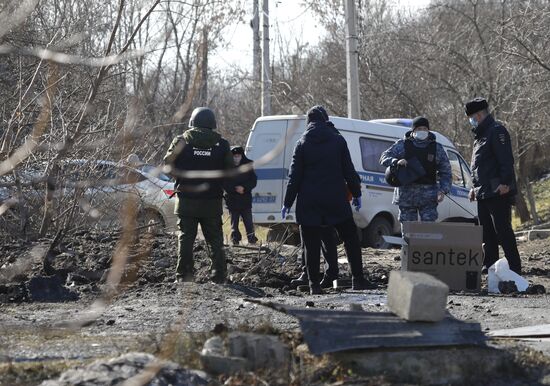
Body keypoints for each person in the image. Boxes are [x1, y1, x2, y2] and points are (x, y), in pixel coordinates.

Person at [282, 105, 369, 295]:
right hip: (335, 200)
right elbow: (349, 171)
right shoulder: (338, 140)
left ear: (309, 123)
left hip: (309, 202)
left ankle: (314, 285)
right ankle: (358, 279)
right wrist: (356, 193)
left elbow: (294, 177)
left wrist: (287, 202)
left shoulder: (302, 143)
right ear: (326, 120)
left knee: (311, 244)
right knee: (350, 237)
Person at [164, 107, 234, 283]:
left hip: (186, 200)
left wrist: (179, 176)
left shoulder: (181, 141)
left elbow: (167, 165)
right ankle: (218, 275)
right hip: (212, 201)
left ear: (192, 122)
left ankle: (184, 275)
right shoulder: (222, 144)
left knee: (186, 238)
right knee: (215, 239)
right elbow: (231, 171)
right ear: (212, 124)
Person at [464, 97, 521, 274]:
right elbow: (480, 167)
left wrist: (505, 183)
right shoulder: (480, 136)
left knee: (503, 231)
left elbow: (506, 161)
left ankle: (514, 267)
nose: (470, 120)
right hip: (483, 192)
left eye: (472, 117)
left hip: (497, 191)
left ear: (479, 115)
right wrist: (474, 188)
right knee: (487, 233)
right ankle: (491, 266)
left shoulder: (496, 131)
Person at [380, 116, 452, 229]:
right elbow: (384, 157)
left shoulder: (437, 148)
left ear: (428, 130)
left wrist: (443, 190)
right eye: (419, 129)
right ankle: (408, 247)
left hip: (428, 197)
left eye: (425, 128)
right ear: (413, 131)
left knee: (429, 231)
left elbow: (446, 172)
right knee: (408, 232)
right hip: (406, 196)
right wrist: (396, 161)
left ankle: (426, 247)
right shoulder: (402, 145)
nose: (422, 131)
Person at [224, 146, 258, 245]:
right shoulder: (227, 166)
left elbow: (253, 181)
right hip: (232, 199)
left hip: (245, 199)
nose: (236, 158)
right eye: (234, 156)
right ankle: (235, 240)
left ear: (242, 156)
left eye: (238, 156)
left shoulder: (248, 165)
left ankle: (251, 239)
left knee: (248, 222)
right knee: (234, 223)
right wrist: (234, 189)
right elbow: (224, 182)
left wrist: (244, 188)